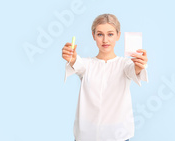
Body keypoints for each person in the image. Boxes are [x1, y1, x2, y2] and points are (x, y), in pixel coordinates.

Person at [62, 13, 148, 141]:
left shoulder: (125, 64)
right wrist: (72, 59)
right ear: (93, 36)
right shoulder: (86, 64)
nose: (105, 40)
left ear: (118, 35)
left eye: (110, 34)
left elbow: (133, 70)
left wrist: (139, 66)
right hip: (86, 135)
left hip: (117, 135)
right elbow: (77, 63)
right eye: (100, 34)